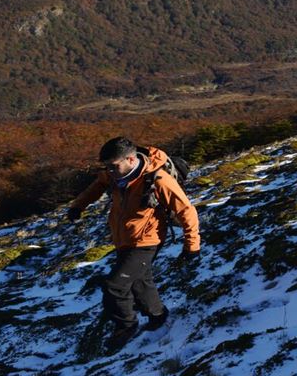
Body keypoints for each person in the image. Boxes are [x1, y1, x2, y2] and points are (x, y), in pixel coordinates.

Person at [66, 136, 200, 350]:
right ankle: (158, 317)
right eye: (106, 167)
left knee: (115, 286)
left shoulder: (157, 179)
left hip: (147, 240)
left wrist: (192, 246)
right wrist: (78, 206)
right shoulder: (113, 174)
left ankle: (126, 326)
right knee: (140, 281)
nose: (109, 171)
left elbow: (186, 210)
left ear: (130, 159)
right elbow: (98, 184)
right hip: (124, 239)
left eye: (113, 166)